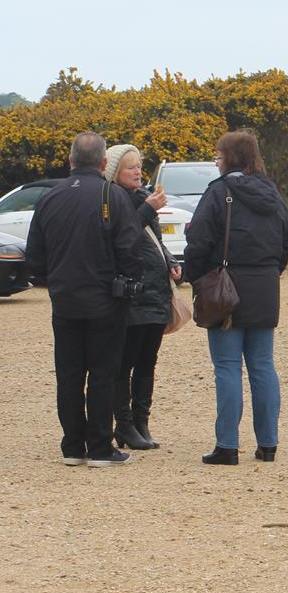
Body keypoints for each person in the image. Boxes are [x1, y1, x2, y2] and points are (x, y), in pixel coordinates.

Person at [26, 132, 142, 467]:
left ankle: (73, 447)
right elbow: (130, 250)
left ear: (71, 160)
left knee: (69, 374)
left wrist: (55, 281)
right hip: (106, 299)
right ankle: (101, 448)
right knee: (103, 373)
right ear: (105, 163)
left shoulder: (51, 197)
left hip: (65, 300)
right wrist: (127, 283)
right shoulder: (113, 195)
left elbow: (35, 255)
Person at [184, 130, 288, 465]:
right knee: (263, 365)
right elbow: (287, 238)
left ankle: (228, 445)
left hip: (226, 284)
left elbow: (200, 241)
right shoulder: (271, 192)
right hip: (264, 283)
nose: (215, 160)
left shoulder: (219, 192)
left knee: (228, 367)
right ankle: (268, 443)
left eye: (218, 155)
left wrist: (194, 276)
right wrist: (272, 270)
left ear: (230, 157)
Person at [106, 144, 181, 452]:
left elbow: (154, 240)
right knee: (125, 362)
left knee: (148, 361)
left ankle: (141, 421)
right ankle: (123, 424)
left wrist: (171, 261)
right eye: (130, 167)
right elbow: (122, 239)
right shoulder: (113, 201)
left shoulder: (141, 197)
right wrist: (148, 209)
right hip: (132, 295)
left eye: (139, 166)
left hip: (156, 292)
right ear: (114, 173)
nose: (138, 172)